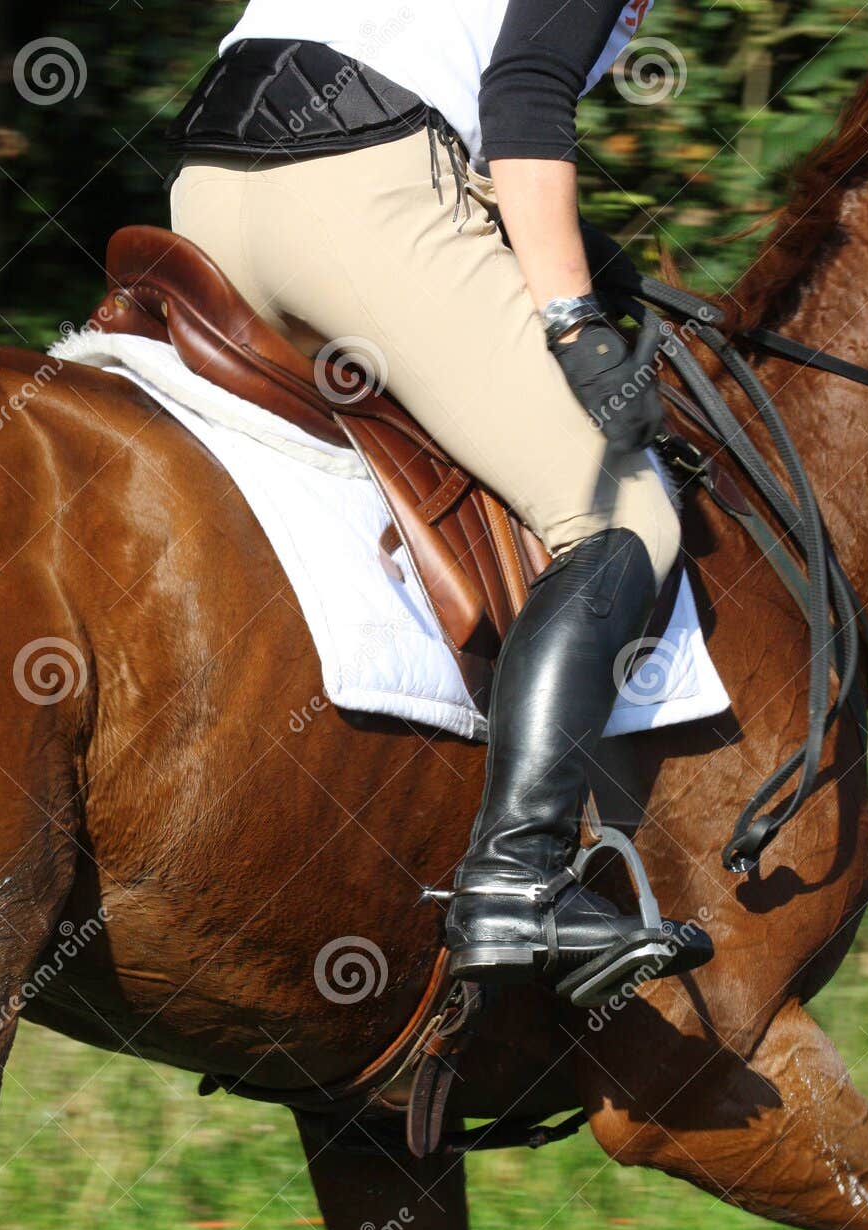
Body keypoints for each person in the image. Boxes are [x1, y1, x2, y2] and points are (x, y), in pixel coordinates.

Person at [168, 1, 710, 995]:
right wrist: (572, 316)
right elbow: (523, 95)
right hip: (351, 192)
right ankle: (519, 878)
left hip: (205, 186)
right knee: (624, 509)